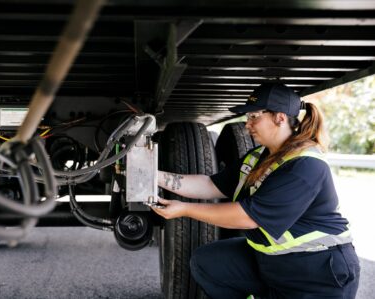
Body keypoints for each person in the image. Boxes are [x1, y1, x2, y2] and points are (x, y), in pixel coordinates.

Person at [151, 83, 360, 299]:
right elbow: (211, 185)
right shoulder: (259, 156)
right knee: (209, 261)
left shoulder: (305, 165)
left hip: (317, 275)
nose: (247, 125)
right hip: (273, 265)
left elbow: (247, 217)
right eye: (247, 118)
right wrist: (152, 176)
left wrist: (184, 209)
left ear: (279, 117)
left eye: (254, 117)